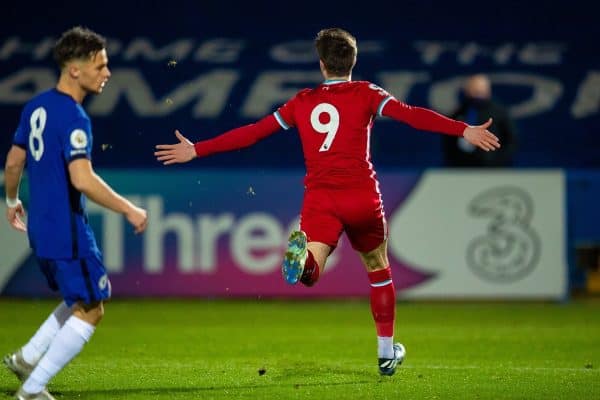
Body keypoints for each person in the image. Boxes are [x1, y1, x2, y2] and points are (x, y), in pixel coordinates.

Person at [154, 28, 500, 376]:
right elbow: (410, 114)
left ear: (321, 65)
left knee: (312, 270)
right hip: (362, 196)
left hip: (321, 198)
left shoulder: (302, 102)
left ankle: (302, 261)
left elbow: (253, 133)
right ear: (353, 61)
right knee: (378, 268)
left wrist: (198, 148)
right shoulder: (367, 93)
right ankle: (384, 353)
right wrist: (463, 130)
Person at [3, 26, 148, 400]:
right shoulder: (74, 117)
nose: (107, 73)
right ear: (75, 69)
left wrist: (11, 201)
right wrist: (129, 209)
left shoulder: (35, 106)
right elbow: (81, 179)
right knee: (93, 307)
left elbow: (15, 161)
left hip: (41, 229)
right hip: (67, 231)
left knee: (80, 297)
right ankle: (33, 390)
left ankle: (28, 357)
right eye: (100, 65)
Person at [443, 73, 517, 167]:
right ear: (467, 90)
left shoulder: (500, 112)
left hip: (492, 168)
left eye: (481, 89)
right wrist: (454, 162)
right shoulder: (458, 112)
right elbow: (448, 142)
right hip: (462, 168)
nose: (478, 93)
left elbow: (511, 139)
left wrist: (498, 161)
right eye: (474, 89)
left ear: (488, 90)